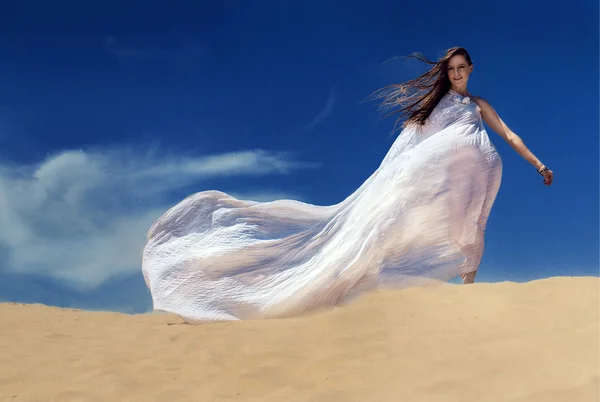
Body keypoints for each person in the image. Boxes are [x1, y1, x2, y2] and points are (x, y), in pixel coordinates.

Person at [142, 46, 553, 323]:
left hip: (479, 174)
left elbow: (510, 135)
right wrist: (395, 183)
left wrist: (537, 165)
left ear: (472, 70)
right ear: (446, 74)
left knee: (474, 228)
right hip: (441, 178)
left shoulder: (478, 105)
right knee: (428, 231)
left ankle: (469, 295)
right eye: (453, 70)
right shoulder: (436, 110)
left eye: (463, 69)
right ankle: (458, 299)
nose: (459, 75)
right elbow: (407, 150)